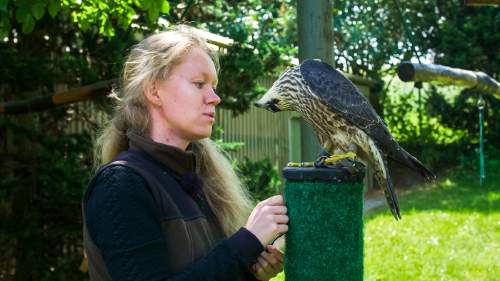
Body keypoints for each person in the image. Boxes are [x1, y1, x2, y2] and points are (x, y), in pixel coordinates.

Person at [82, 25, 288, 281]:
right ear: (154, 90)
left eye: (213, 86)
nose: (215, 98)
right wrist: (246, 242)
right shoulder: (120, 185)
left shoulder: (197, 183)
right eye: (199, 84)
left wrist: (250, 272)